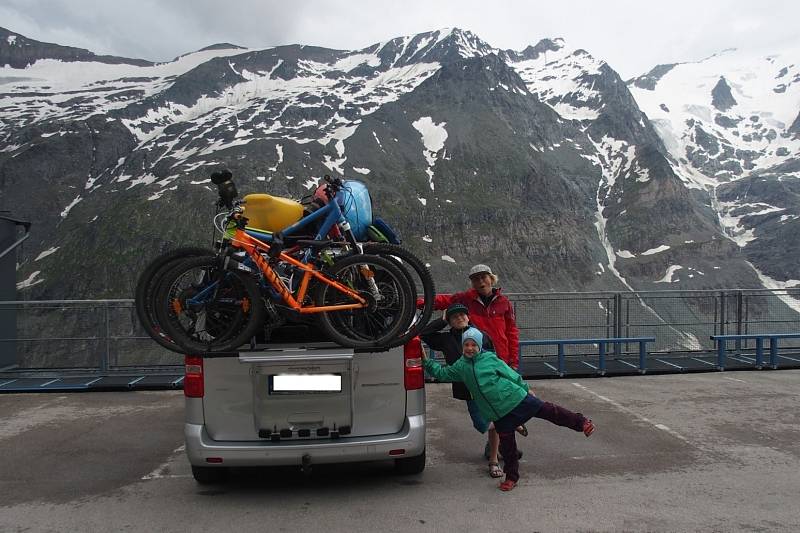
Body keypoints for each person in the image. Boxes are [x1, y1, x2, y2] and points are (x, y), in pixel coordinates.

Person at [422, 327, 596, 491]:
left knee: (551, 412)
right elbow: (442, 373)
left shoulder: (489, 359)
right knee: (508, 448)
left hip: (516, 399)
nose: (470, 348)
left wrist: (526, 388)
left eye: (474, 344)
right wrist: (426, 361)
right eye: (466, 345)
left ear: (480, 346)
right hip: (498, 414)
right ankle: (511, 477)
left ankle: (582, 423)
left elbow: (510, 374)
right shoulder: (461, 366)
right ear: (463, 347)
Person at [424, 263, 522, 460]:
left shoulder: (504, 303)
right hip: (472, 371)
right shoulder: (465, 300)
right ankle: (503, 433)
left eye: (483, 277)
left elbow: (512, 332)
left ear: (491, 278)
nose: (480, 281)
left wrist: (513, 362)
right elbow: (444, 301)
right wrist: (415, 302)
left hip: (496, 362)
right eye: (476, 279)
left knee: (500, 406)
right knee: (485, 418)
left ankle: (501, 447)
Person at [418, 303, 517, 478]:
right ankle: (504, 432)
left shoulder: (481, 335)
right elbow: (424, 334)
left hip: (488, 388)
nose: (460, 318)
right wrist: (441, 320)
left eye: (463, 315)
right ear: (449, 322)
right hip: (468, 390)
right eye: (454, 317)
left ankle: (494, 460)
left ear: (468, 317)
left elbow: (494, 360)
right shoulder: (446, 339)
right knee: (481, 424)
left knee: (494, 421)